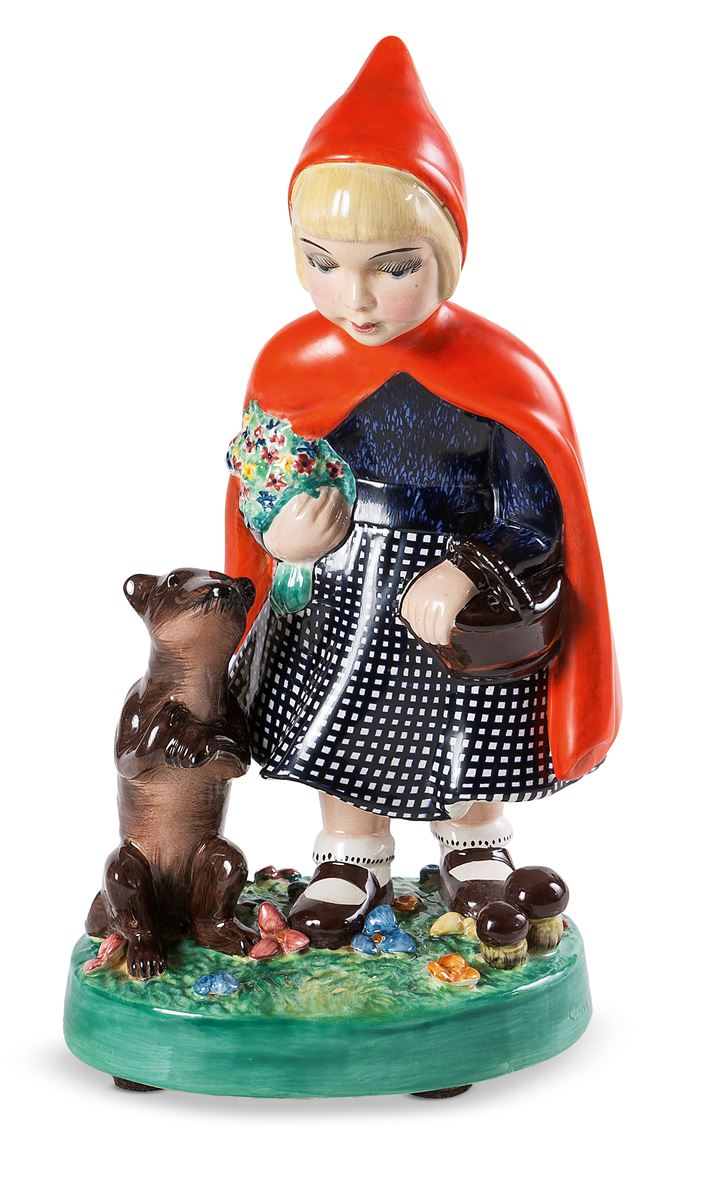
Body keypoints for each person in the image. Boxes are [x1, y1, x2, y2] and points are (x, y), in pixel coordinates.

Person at [225, 37, 621, 949]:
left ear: (446, 251)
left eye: (392, 266)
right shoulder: (293, 362)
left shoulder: (501, 377)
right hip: (338, 581)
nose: (355, 298)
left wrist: (469, 566)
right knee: (339, 710)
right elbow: (261, 473)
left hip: (452, 595)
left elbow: (539, 515)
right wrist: (278, 533)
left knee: (463, 717)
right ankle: (351, 851)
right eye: (324, 262)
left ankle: (473, 840)